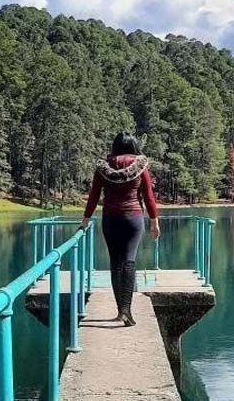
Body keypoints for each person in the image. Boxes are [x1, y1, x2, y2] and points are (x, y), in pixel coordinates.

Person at [80, 132, 160, 326]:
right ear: (133, 145)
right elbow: (148, 197)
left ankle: (120, 311)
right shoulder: (140, 166)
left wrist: (85, 219)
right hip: (133, 219)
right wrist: (154, 221)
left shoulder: (103, 167)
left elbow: (94, 195)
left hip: (110, 219)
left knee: (115, 263)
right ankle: (128, 312)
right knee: (129, 261)